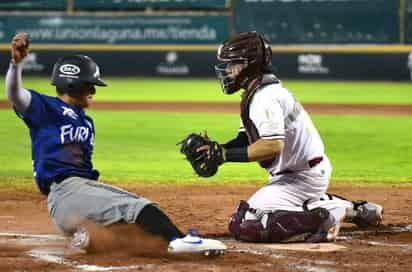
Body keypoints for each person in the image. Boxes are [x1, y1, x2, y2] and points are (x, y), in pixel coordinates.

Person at [5, 32, 226, 255]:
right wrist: (17, 64)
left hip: (78, 196)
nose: (93, 91)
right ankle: (179, 241)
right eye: (89, 85)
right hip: (66, 192)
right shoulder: (46, 108)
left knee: (133, 225)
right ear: (72, 84)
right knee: (140, 208)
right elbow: (15, 95)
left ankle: (88, 236)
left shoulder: (85, 120)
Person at [212, 31, 384, 242]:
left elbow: (272, 146)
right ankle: (353, 210)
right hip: (301, 174)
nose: (228, 70)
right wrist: (217, 150)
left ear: (249, 65)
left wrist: (224, 155)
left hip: (300, 178)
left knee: (249, 222)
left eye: (233, 64)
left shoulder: (265, 97)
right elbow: (246, 140)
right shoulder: (258, 93)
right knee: (253, 218)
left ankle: (323, 219)